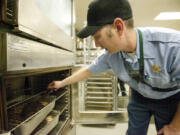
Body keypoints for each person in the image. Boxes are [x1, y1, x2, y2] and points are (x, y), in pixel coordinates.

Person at [48, 0, 180, 134]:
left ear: (119, 27)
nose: (97, 44)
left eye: (98, 37)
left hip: (168, 97)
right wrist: (61, 83)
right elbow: (88, 70)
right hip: (139, 95)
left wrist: (175, 127)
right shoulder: (111, 55)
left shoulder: (172, 46)